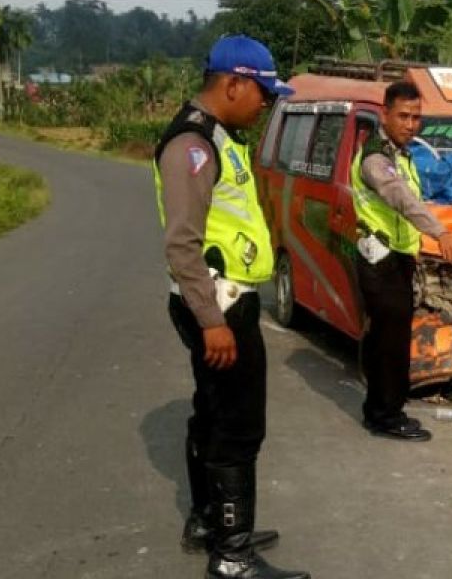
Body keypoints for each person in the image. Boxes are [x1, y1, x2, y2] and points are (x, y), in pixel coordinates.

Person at [154, 35, 310, 579]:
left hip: (223, 302)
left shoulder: (218, 138)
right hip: (217, 306)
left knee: (214, 413)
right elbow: (182, 244)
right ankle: (233, 556)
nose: (266, 103)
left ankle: (210, 523)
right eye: (263, 92)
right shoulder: (192, 146)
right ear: (233, 84)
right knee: (237, 430)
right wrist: (213, 322)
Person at [350, 80, 452, 442]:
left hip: (398, 258)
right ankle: (387, 414)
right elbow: (402, 200)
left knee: (386, 335)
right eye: (403, 116)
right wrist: (440, 233)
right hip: (380, 259)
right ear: (384, 114)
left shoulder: (403, 155)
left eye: (417, 117)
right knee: (393, 339)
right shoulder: (375, 159)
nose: (411, 124)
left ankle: (378, 407)